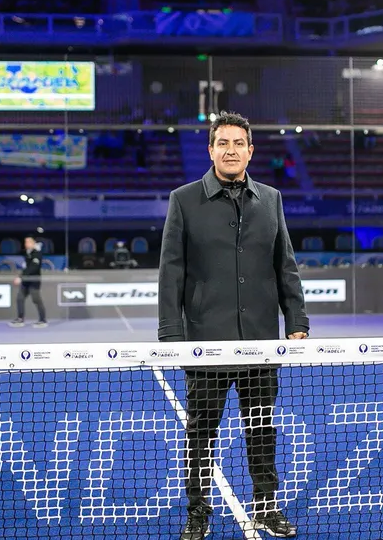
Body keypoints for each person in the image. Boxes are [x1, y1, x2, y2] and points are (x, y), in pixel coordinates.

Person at [159, 110, 307, 540]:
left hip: (262, 343)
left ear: (250, 151)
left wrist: (295, 320)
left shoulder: (272, 199)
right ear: (210, 150)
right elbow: (171, 272)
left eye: (238, 143)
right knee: (200, 434)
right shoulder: (183, 200)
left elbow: (286, 265)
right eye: (222, 143)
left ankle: (266, 506)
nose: (230, 150)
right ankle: (198, 512)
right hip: (204, 344)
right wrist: (172, 336)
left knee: (261, 430)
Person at [9, 235, 47, 328]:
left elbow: (33, 268)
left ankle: (43, 320)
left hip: (34, 280)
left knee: (36, 300)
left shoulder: (37, 253)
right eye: (25, 242)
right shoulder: (27, 253)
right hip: (26, 281)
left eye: (28, 242)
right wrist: (22, 276)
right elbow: (26, 267)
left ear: (33, 243)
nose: (26, 244)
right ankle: (20, 319)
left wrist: (21, 277)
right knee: (20, 298)